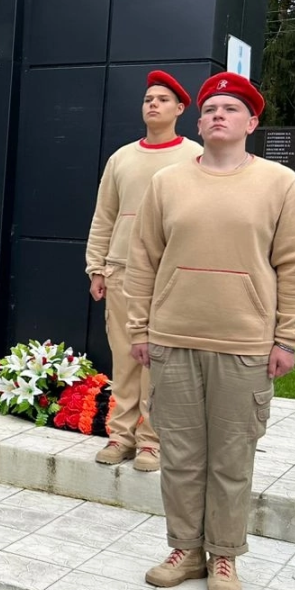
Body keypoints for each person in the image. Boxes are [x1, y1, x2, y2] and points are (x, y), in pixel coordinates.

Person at [125, 72, 295, 590]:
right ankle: (185, 549)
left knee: (231, 456)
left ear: (252, 122)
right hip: (173, 338)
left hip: (245, 343)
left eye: (230, 109)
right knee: (181, 453)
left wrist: (287, 337)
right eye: (209, 110)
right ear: (198, 122)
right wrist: (140, 327)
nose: (217, 116)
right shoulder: (167, 183)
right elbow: (143, 262)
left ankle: (224, 554)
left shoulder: (280, 184)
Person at [85, 71, 202, 472]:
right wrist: (96, 267)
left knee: (160, 359)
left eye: (163, 100)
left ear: (180, 109)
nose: (153, 104)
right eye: (148, 98)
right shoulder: (122, 158)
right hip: (121, 272)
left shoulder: (194, 156)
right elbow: (105, 216)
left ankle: (153, 442)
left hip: (170, 276)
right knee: (125, 357)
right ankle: (121, 437)